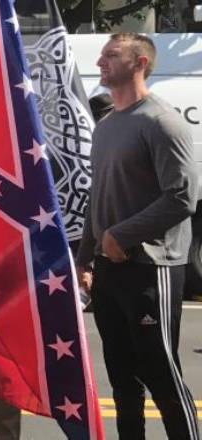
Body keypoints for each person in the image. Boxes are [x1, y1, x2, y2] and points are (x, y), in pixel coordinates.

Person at [77, 32, 200, 439]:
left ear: (140, 62)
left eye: (111, 55)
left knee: (161, 373)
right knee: (123, 380)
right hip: (109, 270)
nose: (100, 62)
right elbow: (99, 195)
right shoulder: (107, 125)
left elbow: (183, 197)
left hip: (151, 268)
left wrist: (122, 235)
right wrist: (86, 257)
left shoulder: (162, 122)